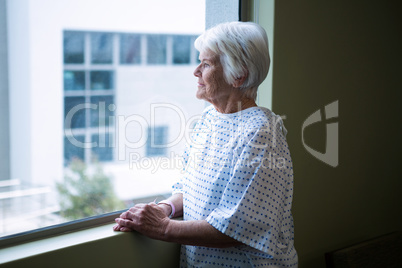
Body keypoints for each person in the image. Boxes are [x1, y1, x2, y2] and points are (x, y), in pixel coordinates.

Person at [114, 21, 298, 267]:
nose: (196, 71)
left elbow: (235, 229)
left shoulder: (262, 134)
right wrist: (166, 208)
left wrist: (162, 228)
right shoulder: (208, 118)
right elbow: (188, 189)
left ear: (238, 75)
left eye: (207, 63)